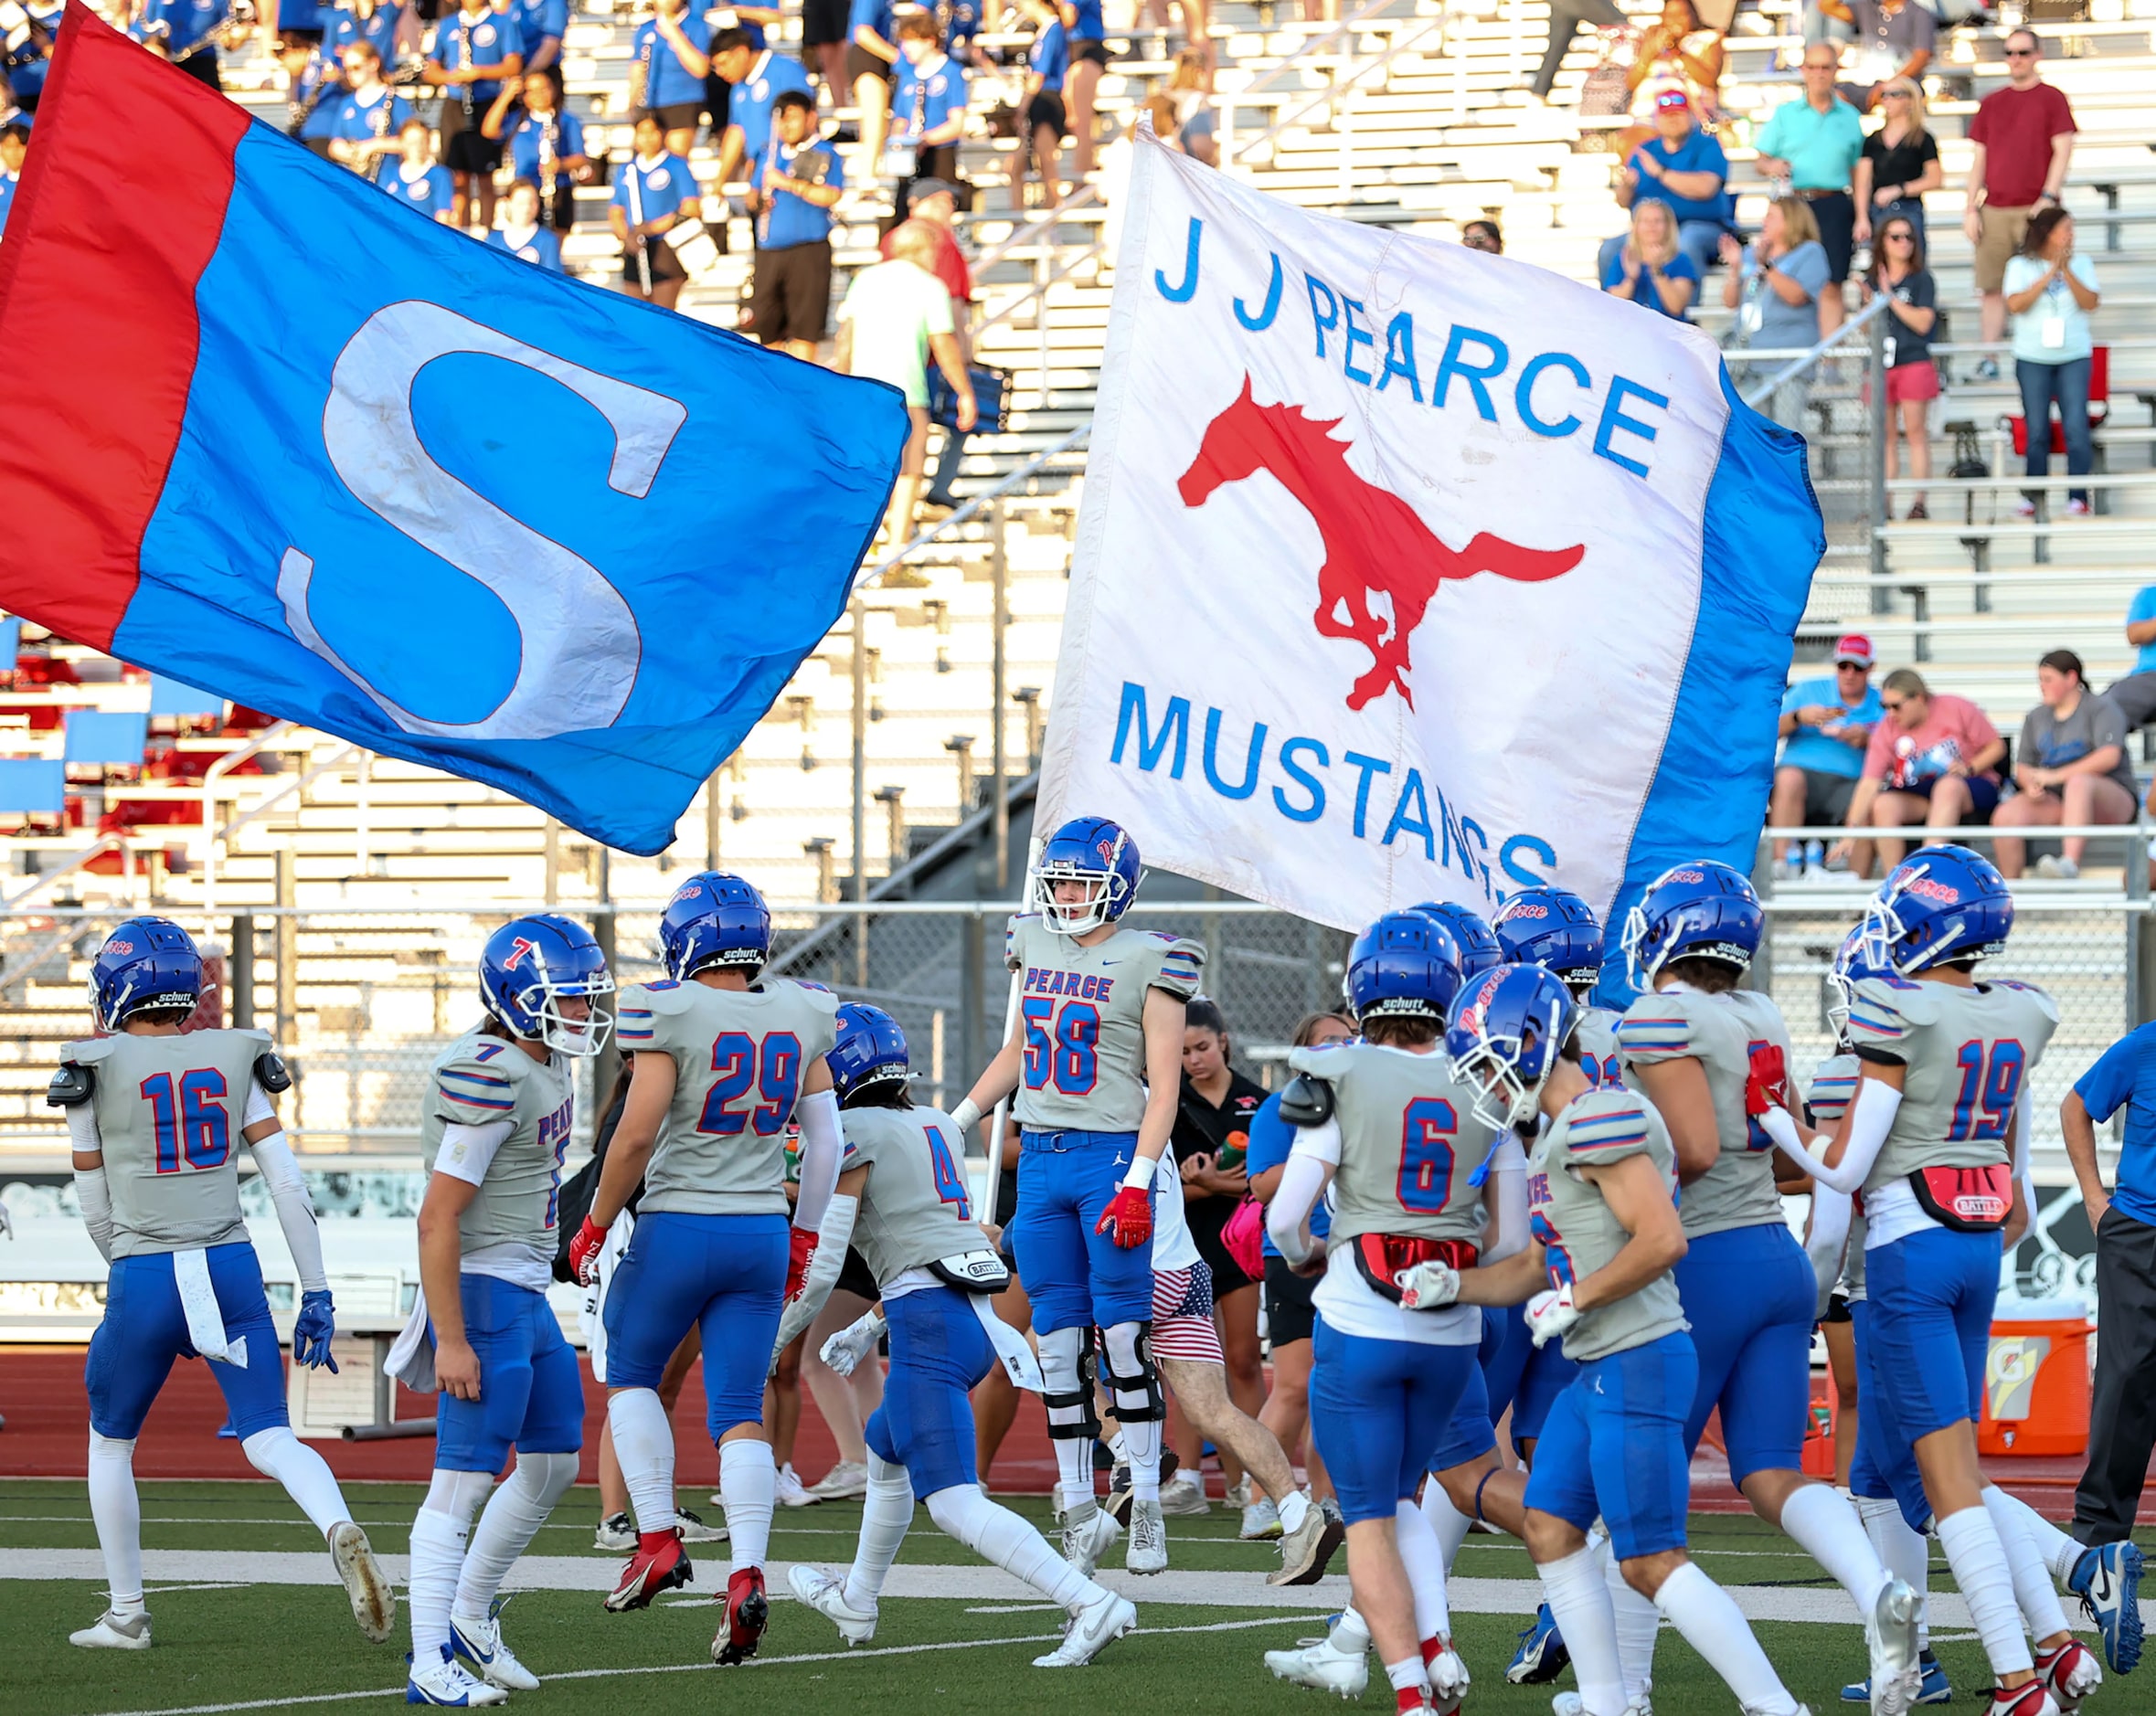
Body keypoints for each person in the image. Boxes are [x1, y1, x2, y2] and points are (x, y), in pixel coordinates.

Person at [1437, 963, 1818, 1716]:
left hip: (1637, 1357)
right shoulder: (1561, 1129)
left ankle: (1775, 1707)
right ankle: (1610, 1702)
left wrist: (1574, 1297)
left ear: (1530, 1043)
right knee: (1548, 1524)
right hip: (1596, 1368)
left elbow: (1662, 1238)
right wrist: (1455, 1285)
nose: (1481, 1078)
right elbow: (1537, 1262)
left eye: (1485, 1058)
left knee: (1648, 1561)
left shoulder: (1600, 1117)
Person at [1775, 846, 2105, 1715]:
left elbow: (1839, 1179)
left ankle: (2014, 1678)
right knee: (1926, 1471)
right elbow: (2020, 1198)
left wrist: (1775, 1120)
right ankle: (2058, 1647)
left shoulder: (1891, 1018)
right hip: (1975, 1244)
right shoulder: (2013, 1010)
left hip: (1906, 1257)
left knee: (1945, 1481)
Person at [1616, 863, 1923, 1712]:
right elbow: (1788, 1155)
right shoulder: (1759, 1011)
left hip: (1700, 1265)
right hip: (1774, 1261)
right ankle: (1875, 1592)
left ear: (1667, 931)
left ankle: (1624, 1690)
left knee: (1639, 1486)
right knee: (1770, 1471)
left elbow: (1696, 1150)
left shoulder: (1656, 1015)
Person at [52, 918, 394, 1653]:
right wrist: (317, 1290)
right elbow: (288, 1184)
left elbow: (93, 1202)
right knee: (268, 1432)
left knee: (111, 1444)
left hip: (145, 1272)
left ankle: (127, 1613)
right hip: (230, 1266)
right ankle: (336, 1524)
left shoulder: (91, 1066)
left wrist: (131, 1267)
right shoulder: (236, 1058)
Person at [779, 1005, 1142, 1667]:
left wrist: (775, 1337)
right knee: (885, 1450)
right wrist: (866, 1324)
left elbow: (825, 1260)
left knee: (950, 1502)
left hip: (932, 1330)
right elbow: (931, 1244)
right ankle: (857, 1597)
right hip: (970, 1317)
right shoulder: (930, 1124)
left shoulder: (850, 1130)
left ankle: (1088, 1602)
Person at [566, 871, 845, 1667]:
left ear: (685, 937)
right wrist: (805, 1234)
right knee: (738, 1411)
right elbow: (825, 1142)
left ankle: (654, 1537)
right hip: (761, 1231)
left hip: (679, 1227)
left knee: (630, 1374)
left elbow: (633, 1137)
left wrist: (590, 1226)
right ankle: (746, 1574)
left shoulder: (666, 1007)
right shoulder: (802, 1008)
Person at [945, 817, 1203, 1582]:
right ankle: (1077, 1503)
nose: (1065, 895)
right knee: (1054, 1344)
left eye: (1081, 883)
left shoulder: (1154, 960)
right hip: (1044, 1157)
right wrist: (960, 1117)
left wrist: (1137, 1177)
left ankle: (1147, 1501)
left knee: (1122, 1337)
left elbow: (1165, 1085)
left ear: (1117, 884)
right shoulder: (1035, 941)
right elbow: (1020, 1049)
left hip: (1110, 1158)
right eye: (1059, 881)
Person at [1264, 912, 1503, 1716]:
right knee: (1404, 1500)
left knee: (1365, 1517)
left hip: (1360, 1317)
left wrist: (1310, 1249)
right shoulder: (1484, 1074)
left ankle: (1409, 1692)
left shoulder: (1338, 1073)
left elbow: (1283, 1217)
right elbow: (1502, 1235)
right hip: (1451, 1328)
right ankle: (1433, 1649)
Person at [390, 916, 611, 1706]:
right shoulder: (486, 1070)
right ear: (519, 999)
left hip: (523, 1289)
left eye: (588, 1000)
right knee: (461, 1480)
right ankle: (427, 1663)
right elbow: (437, 1216)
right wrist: (450, 1337)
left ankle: (470, 1615)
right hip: (482, 1290)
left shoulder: (541, 1061)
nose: (584, 1015)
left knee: (553, 1460)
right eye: (570, 1001)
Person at [2062, 1028, 2156, 1668]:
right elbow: (2075, 1106)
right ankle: (2098, 1550)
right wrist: (2094, 1197)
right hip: (2139, 1232)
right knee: (2126, 1382)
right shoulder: (2145, 1045)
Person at [1244, 1010, 1354, 1524]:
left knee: (1339, 1385)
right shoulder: (1282, 1109)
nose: (1343, 1046)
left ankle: (1325, 1497)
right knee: (1293, 1385)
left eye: (1351, 1039)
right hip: (1296, 1257)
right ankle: (1262, 1500)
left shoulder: (1365, 1102)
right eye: (1329, 1040)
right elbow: (1263, 1185)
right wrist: (1323, 1144)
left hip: (1351, 1258)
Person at [1164, 997, 1268, 1520]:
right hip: (1186, 1247)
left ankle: (1247, 1478)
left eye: (1202, 1047)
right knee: (1192, 1364)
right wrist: (1208, 1185)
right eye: (1182, 1051)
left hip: (1239, 1248)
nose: (1193, 1060)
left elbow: (1265, 1181)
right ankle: (1186, 1477)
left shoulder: (1259, 1101)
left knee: (1245, 1358)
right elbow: (1162, 1188)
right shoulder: (1168, 1101)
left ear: (1222, 1041)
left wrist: (1208, 1181)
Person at [834, 219, 977, 545]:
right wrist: (965, 392)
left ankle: (861, 542)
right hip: (907, 392)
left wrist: (840, 384)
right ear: (927, 250)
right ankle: (896, 546)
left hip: (864, 389)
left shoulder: (865, 280)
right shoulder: (930, 286)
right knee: (909, 470)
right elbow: (944, 345)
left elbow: (846, 339)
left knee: (866, 468)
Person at [1965, 28, 2076, 377]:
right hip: (1996, 207)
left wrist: (2047, 196)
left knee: (2048, 283)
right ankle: (1990, 359)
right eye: (2010, 52)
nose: (2016, 59)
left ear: (2038, 54)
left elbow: (2063, 149)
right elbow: (1979, 159)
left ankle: (2047, 356)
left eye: (2023, 52)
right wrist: (1970, 207)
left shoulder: (2052, 98)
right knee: (1992, 288)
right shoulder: (1993, 102)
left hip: (2038, 210)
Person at [1838, 668, 2007, 874]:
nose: (1890, 713)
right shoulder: (1887, 728)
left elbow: (1996, 747)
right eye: (1885, 706)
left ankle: (1927, 872)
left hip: (1971, 785)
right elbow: (1869, 783)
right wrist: (1851, 831)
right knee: (1883, 804)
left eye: (1896, 706)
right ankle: (1897, 883)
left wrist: (1969, 768)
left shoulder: (1955, 707)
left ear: (1918, 697)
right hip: (1920, 793)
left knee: (1948, 787)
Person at [1992, 650, 2137, 880]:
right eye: (2040, 679)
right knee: (2005, 814)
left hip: (2111, 798)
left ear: (2071, 678)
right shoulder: (2035, 716)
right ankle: (2009, 889)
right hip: (2058, 800)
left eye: (2048, 679)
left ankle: (2069, 863)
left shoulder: (2101, 708)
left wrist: (2056, 776)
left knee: (2078, 783)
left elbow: (2109, 756)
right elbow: (2023, 766)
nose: (2042, 686)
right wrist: (2030, 784)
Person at [1754, 43, 1864, 337]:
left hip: (1835, 203)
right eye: (1812, 67)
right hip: (1793, 205)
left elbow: (1858, 169)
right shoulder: (1785, 114)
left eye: (1825, 67)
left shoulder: (1850, 117)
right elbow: (1760, 161)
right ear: (1803, 71)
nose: (1818, 74)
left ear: (1835, 71)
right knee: (1787, 276)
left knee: (1832, 281)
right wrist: (1773, 165)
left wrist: (1863, 215)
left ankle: (1829, 360)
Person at [879, 177, 975, 514]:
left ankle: (897, 514)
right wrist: (965, 357)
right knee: (953, 423)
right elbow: (950, 306)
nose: (952, 208)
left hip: (890, 352)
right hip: (927, 359)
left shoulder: (894, 239)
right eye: (948, 201)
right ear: (928, 201)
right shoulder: (938, 242)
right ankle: (935, 495)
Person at [2004, 207, 2100, 518]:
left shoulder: (2082, 262)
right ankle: (2033, 494)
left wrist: (2067, 270)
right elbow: (2016, 304)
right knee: (2036, 429)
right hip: (2033, 358)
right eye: (2066, 229)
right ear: (2047, 232)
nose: (2071, 235)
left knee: (2075, 425)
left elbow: (2090, 302)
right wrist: (2049, 273)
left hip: (2073, 356)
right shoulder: (2020, 265)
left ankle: (2078, 495)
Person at [1770, 631, 1884, 875]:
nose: (1849, 674)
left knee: (1870, 801)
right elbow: (1766, 733)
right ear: (1836, 665)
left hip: (1851, 784)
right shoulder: (1806, 690)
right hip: (1802, 776)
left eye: (1858, 667)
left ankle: (1855, 893)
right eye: (1844, 666)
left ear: (1870, 668)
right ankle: (1780, 869)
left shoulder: (1882, 702)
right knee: (1789, 779)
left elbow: (1896, 748)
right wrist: (1798, 717)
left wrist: (1868, 740)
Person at [1720, 196, 1832, 432]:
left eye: (1772, 216)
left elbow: (1796, 296)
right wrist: (1735, 270)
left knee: (1783, 434)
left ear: (1791, 221)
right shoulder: (1752, 253)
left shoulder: (1810, 252)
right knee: (1754, 437)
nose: (1764, 221)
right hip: (1750, 361)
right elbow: (1730, 301)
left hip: (1787, 362)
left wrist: (1767, 267)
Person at [748, 90, 842, 361]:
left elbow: (831, 196)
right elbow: (752, 194)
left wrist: (787, 184)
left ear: (810, 118)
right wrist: (757, 202)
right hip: (769, 251)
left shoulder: (824, 153)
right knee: (766, 326)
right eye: (781, 119)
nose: (786, 126)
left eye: (793, 118)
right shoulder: (768, 153)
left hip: (808, 250)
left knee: (804, 328)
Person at [1603, 87, 1728, 281]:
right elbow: (1622, 201)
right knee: (1610, 249)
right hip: (1649, 229)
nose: (1672, 120)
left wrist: (1661, 173)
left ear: (1689, 116)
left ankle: (1684, 308)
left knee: (1687, 244)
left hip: (1698, 225)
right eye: (1667, 115)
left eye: (1678, 114)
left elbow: (1706, 187)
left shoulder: (1707, 145)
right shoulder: (1645, 150)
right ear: (1657, 120)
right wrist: (1626, 186)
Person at [423, 0, 523, 231]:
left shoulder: (502, 21)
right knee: (458, 177)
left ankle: (488, 234)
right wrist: (451, 77)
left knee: (485, 176)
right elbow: (431, 70)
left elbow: (514, 65)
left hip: (487, 103)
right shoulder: (448, 24)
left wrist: (479, 73)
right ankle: (462, 231)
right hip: (455, 104)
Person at [1866, 217, 1940, 520]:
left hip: (1912, 360)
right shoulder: (1871, 280)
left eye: (1908, 237)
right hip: (1880, 364)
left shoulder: (1921, 279)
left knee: (1915, 432)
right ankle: (1884, 503)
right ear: (1883, 242)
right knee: (1885, 438)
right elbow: (1863, 330)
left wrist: (1889, 299)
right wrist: (1869, 302)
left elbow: (1923, 323)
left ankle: (1919, 501)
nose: (1903, 243)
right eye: (1895, 237)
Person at [483, 68, 593, 236]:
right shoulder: (519, 120)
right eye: (531, 91)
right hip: (525, 191)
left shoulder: (567, 120)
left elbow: (581, 158)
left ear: (553, 89)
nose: (539, 95)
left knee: (554, 243)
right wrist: (507, 95)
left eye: (544, 88)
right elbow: (489, 130)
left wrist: (560, 164)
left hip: (558, 188)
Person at [708, 26, 813, 202]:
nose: (720, 72)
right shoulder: (738, 89)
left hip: (790, 171)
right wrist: (721, 178)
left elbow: (806, 117)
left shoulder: (786, 70)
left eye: (724, 63)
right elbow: (737, 131)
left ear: (741, 52)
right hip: (761, 174)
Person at [610, 111, 700, 312]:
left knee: (663, 315)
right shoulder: (627, 169)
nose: (648, 137)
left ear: (663, 133)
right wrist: (628, 238)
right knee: (636, 314)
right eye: (642, 132)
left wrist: (652, 228)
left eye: (653, 132)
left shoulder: (677, 165)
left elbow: (691, 208)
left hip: (666, 246)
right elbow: (616, 211)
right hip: (636, 247)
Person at [887, 11, 967, 218]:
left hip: (939, 154)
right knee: (904, 212)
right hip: (910, 156)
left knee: (936, 213)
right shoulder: (908, 77)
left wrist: (925, 140)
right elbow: (900, 119)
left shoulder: (951, 72)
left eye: (911, 41)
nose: (905, 48)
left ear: (930, 41)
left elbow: (957, 123)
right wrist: (898, 145)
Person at [1855, 77, 1941, 249]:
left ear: (1910, 100)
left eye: (1895, 94)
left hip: (1909, 209)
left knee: (1912, 264)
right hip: (1878, 210)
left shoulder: (1922, 139)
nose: (1887, 100)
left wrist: (1899, 190)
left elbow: (1935, 179)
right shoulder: (1873, 139)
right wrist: (1862, 217)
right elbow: (1863, 181)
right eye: (1884, 95)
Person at [631, 0, 712, 161]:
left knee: (675, 158)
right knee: (645, 161)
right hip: (649, 103)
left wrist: (674, 34)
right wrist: (632, 103)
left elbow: (701, 68)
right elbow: (636, 69)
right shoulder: (645, 29)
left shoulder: (696, 25)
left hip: (682, 101)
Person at [1820, 0, 1933, 112]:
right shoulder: (1866, 6)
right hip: (1865, 83)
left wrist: (1888, 85)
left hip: (1903, 84)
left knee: (1895, 100)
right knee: (1831, 99)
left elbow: (1922, 57)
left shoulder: (1920, 14)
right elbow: (1826, 6)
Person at [1626, 0, 1726, 122]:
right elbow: (1631, 83)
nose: (1675, 20)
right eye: (1670, 16)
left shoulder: (1708, 39)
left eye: (1682, 14)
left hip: (1691, 114)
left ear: (1695, 17)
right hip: (1650, 113)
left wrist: (1676, 50)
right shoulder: (1652, 39)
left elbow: (1709, 79)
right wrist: (1648, 55)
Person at [1601, 198, 1699, 321]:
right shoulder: (1622, 259)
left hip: (1669, 333)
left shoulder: (1680, 260)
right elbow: (1613, 306)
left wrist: (1657, 271)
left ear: (1668, 226)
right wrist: (1631, 279)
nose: (1651, 226)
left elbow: (1676, 307)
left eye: (1657, 221)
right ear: (1636, 226)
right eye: (1646, 221)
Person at [326, 41, 411, 180]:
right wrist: (346, 152)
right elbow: (335, 142)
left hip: (385, 180)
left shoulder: (394, 100)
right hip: (354, 179)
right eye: (346, 69)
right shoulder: (347, 103)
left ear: (373, 64)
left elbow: (411, 142)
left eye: (356, 67)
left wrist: (374, 145)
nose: (350, 74)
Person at [1015, 4, 1069, 211]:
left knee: (1047, 162)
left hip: (1047, 100)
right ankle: (1020, 218)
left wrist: (1022, 108)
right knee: (1018, 166)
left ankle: (1051, 212)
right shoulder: (1044, 30)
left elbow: (1039, 75)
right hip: (1038, 100)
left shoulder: (1053, 29)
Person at [847, 0, 899, 181]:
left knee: (879, 122)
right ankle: (867, 176)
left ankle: (870, 173)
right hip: (868, 55)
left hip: (877, 56)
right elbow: (863, 33)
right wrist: (898, 58)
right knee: (873, 121)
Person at [1057, 0, 1108, 186]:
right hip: (1073, 49)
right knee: (1073, 118)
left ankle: (1081, 178)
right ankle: (1085, 167)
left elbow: (1068, 17)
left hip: (1087, 48)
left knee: (1081, 121)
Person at [380, 118, 457, 222]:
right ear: (402, 144)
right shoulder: (389, 174)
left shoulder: (439, 174)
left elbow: (443, 215)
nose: (417, 146)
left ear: (428, 142)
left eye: (422, 141)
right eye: (412, 142)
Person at [484, 178, 566, 269]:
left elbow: (553, 276)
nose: (527, 208)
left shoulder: (547, 240)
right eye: (521, 203)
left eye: (532, 202)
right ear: (508, 202)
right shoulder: (493, 240)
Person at [1167, 48, 1215, 165]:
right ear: (1199, 73)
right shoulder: (1197, 101)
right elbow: (1202, 148)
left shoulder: (1160, 98)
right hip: (1184, 168)